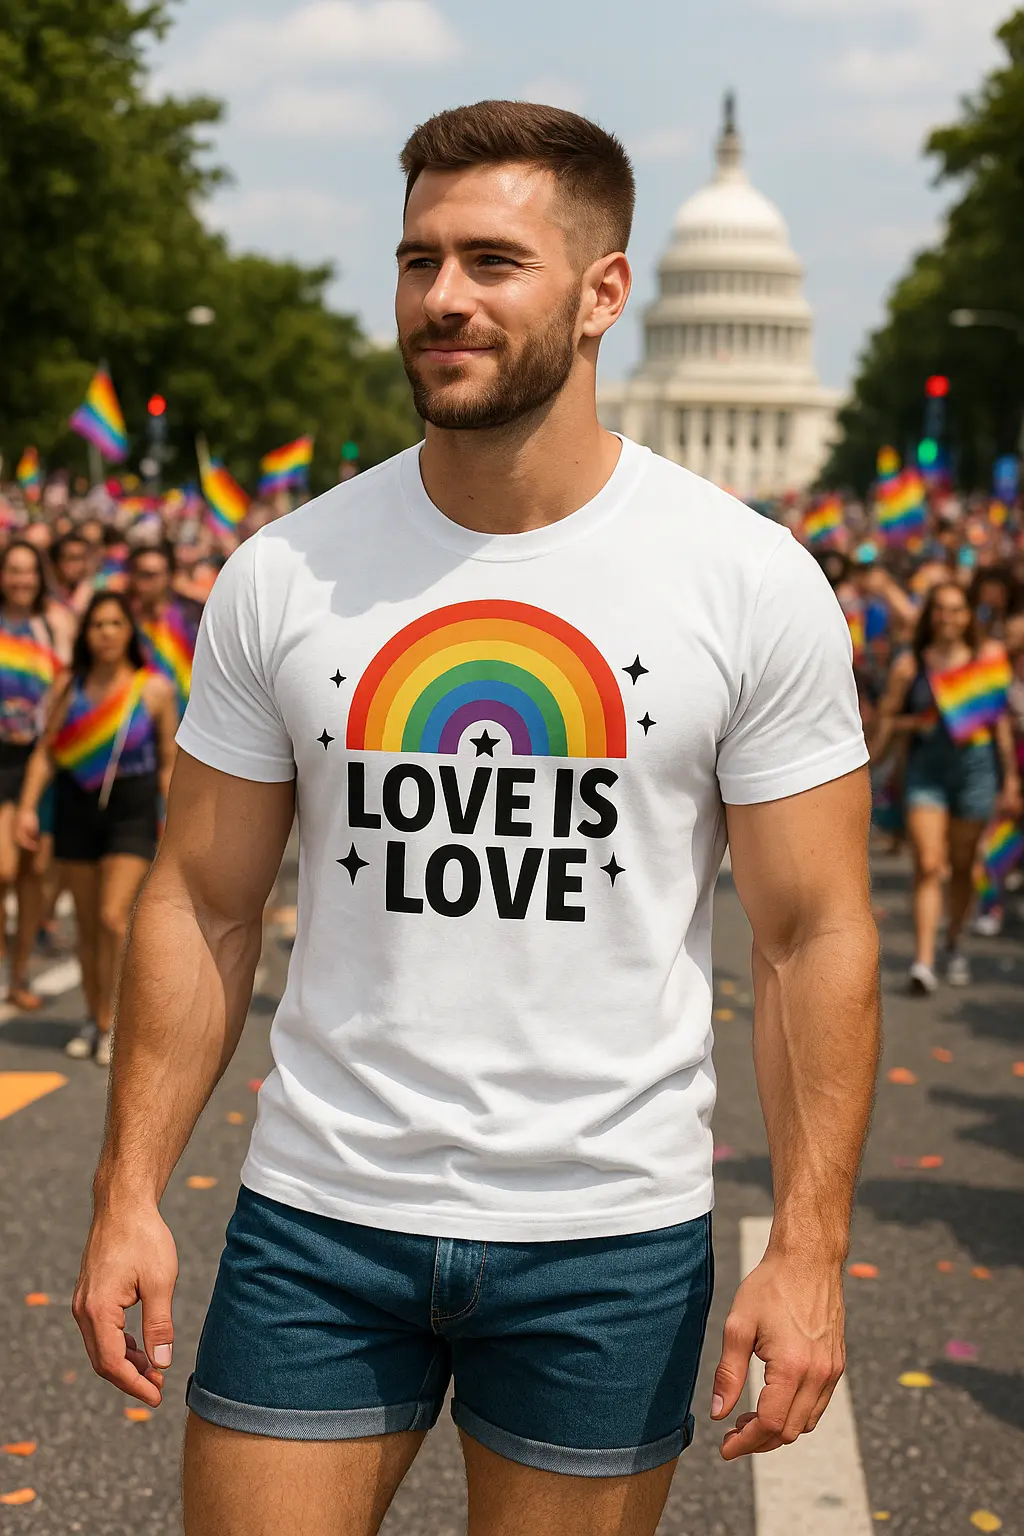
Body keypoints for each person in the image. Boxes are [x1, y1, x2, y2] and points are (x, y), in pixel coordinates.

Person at [71, 102, 879, 1536]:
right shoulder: (285, 574)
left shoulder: (747, 582)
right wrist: (130, 1188)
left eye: (495, 260)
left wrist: (809, 1247)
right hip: (319, 1216)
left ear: (606, 293)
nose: (443, 297)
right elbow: (199, 896)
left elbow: (814, 931)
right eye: (418, 258)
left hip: (608, 1238)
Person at [16, 592, 177, 1065]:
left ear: (129, 630)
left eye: (114, 623)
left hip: (132, 808)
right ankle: (96, 1019)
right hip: (76, 808)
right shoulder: (69, 685)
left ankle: (120, 1023)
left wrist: (174, 815)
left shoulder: (154, 689)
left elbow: (169, 760)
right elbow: (47, 751)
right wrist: (27, 808)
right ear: (86, 634)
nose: (106, 632)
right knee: (87, 928)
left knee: (112, 916)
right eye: (97, 624)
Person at [872, 580, 1022, 992]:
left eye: (957, 609)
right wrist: (888, 738)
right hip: (926, 772)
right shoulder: (911, 665)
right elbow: (888, 721)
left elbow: (1000, 727)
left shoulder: (987, 659)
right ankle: (923, 961)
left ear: (968, 615)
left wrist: (1010, 778)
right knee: (929, 863)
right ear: (930, 615)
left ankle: (953, 941)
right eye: (940, 609)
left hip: (976, 772)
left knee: (962, 867)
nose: (948, 618)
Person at [0, 542, 68, 1007]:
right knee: (3, 869)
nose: (22, 579)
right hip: (1, 757)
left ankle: (19, 973)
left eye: (29, 571)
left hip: (44, 760)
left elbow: (69, 683)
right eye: (13, 570)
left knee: (33, 874)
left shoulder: (56, 623)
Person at [128, 544, 200, 718]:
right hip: (146, 717)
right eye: (141, 574)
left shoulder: (192, 615)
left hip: (194, 717)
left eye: (152, 575)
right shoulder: (126, 622)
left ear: (168, 577)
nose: (146, 583)